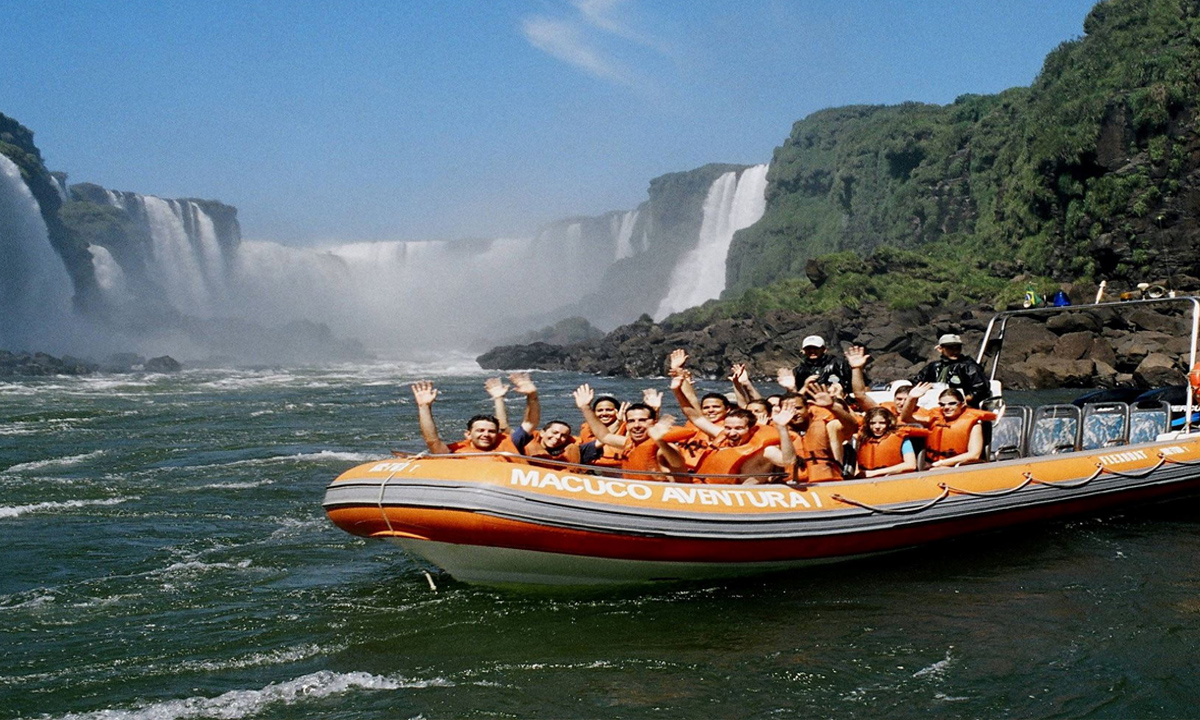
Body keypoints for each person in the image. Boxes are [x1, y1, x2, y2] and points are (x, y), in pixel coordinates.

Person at [574, 384, 688, 481]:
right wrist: (585, 408)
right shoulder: (628, 443)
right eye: (631, 421)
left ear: (653, 422)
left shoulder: (662, 448)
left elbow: (676, 462)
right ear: (626, 424)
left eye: (642, 420)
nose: (636, 425)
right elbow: (604, 436)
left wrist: (660, 441)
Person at [411, 374, 539, 458]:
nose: (486, 434)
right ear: (468, 434)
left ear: (497, 434)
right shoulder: (455, 453)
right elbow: (432, 441)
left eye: (491, 431)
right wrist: (424, 407)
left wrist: (532, 396)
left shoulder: (509, 442)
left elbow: (530, 423)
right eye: (480, 430)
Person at [900, 383, 995, 468]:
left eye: (952, 404)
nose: (946, 407)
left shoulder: (974, 424)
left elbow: (974, 454)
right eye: (942, 404)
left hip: (960, 466)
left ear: (962, 404)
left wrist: (943, 463)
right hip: (932, 464)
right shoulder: (934, 418)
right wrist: (911, 399)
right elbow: (906, 418)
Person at [911, 333, 991, 407]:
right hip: (933, 405)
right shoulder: (933, 366)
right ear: (940, 349)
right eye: (950, 348)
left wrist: (963, 400)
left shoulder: (969, 367)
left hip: (960, 407)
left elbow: (982, 389)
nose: (955, 351)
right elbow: (916, 382)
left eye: (958, 348)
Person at [855, 407, 925, 478]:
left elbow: (911, 465)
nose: (877, 426)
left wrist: (874, 473)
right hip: (866, 480)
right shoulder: (862, 439)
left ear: (889, 423)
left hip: (894, 479)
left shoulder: (900, 437)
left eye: (882, 423)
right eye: (872, 423)